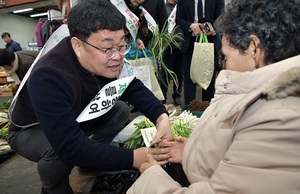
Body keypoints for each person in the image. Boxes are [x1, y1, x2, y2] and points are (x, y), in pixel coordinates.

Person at [127, 0, 300, 193]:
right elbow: (238, 160)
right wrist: (193, 152)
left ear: (253, 49)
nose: (225, 67)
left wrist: (151, 176)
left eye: (226, 57)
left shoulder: (279, 121)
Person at [7, 0, 172, 193]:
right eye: (107, 48)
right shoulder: (48, 75)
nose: (117, 56)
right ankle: (53, 188)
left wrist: (161, 117)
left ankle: (89, 160)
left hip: (76, 116)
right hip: (30, 130)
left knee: (119, 110)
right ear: (77, 45)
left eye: (121, 45)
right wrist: (133, 158)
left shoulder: (103, 56)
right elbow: (69, 145)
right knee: (60, 150)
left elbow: (131, 85)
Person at [176, 0, 224, 105]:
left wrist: (211, 28)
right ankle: (189, 110)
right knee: (189, 79)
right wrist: (190, 26)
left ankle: (207, 109)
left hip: (210, 42)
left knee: (209, 78)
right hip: (190, 43)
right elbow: (179, 19)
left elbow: (221, 18)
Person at [160, 0, 183, 106]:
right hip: (167, 46)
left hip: (181, 45)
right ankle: (163, 96)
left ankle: (177, 95)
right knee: (165, 73)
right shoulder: (162, 7)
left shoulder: (181, 6)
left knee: (179, 73)